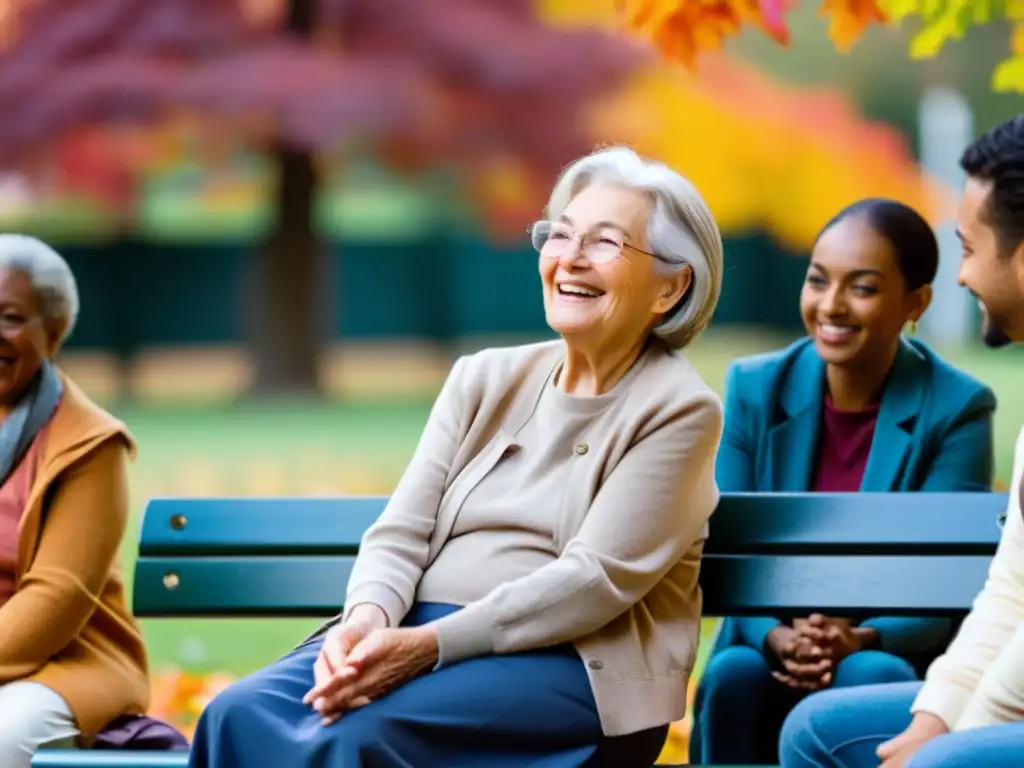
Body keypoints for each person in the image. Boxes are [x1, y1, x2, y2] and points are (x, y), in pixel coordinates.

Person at [188, 146, 726, 768]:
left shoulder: (680, 408)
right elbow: (401, 530)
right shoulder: (484, 377)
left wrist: (427, 646)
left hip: (571, 666)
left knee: (352, 737)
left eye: (604, 242)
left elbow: (592, 583)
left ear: (671, 286)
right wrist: (366, 619)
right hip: (416, 631)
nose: (569, 258)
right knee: (237, 712)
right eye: (560, 235)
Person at [689, 199, 996, 765]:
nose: (831, 306)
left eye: (863, 287)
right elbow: (726, 545)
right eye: (817, 281)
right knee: (735, 671)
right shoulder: (755, 388)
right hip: (767, 637)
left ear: (915, 303)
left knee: (871, 673)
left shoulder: (956, 408)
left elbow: (950, 578)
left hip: (883, 644)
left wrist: (856, 635)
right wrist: (780, 635)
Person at [779, 114, 1024, 768]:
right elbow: (1010, 593)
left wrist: (954, 735)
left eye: (970, 250)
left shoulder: (957, 404)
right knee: (816, 730)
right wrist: (935, 717)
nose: (963, 276)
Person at [0, 235, 149, 768]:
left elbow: (54, 602)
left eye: (11, 318)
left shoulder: (89, 446)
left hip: (64, 665)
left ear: (55, 332)